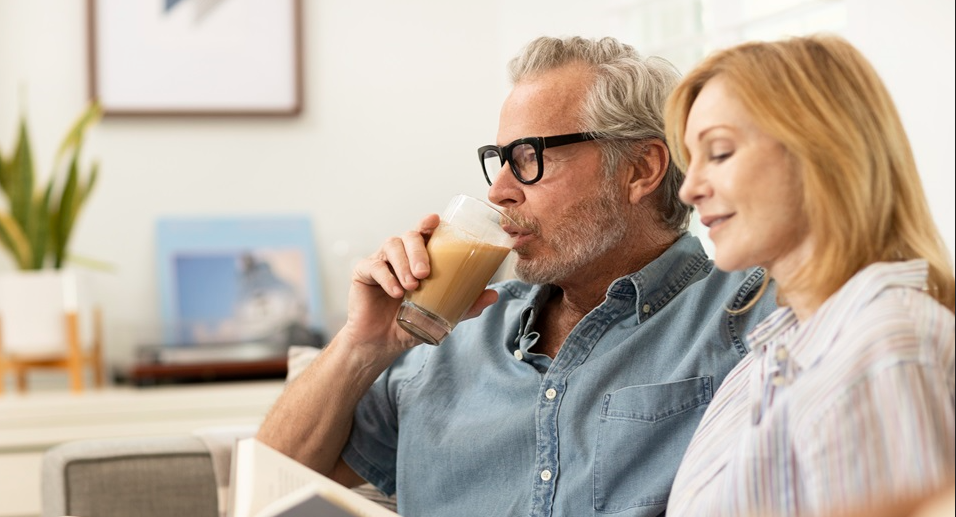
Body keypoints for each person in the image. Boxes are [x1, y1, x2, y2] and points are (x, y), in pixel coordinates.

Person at [257, 35, 776, 517]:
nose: (499, 190)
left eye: (529, 157)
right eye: (499, 160)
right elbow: (272, 487)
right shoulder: (446, 333)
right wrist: (361, 346)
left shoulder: (750, 317)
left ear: (640, 169)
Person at [663, 34, 956, 517]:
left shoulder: (881, 343)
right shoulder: (766, 361)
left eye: (718, 152)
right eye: (689, 162)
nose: (690, 188)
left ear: (821, 151)